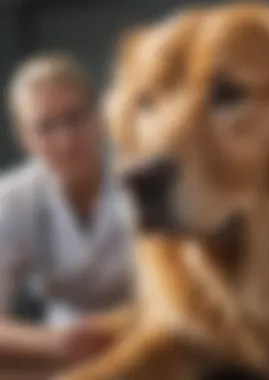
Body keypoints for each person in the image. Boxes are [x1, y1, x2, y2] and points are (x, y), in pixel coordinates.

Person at [0, 53, 135, 377]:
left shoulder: (140, 177)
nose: (67, 139)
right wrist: (57, 342)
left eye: (76, 117)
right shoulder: (11, 199)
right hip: (58, 344)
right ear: (25, 137)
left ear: (99, 116)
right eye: (46, 127)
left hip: (149, 331)